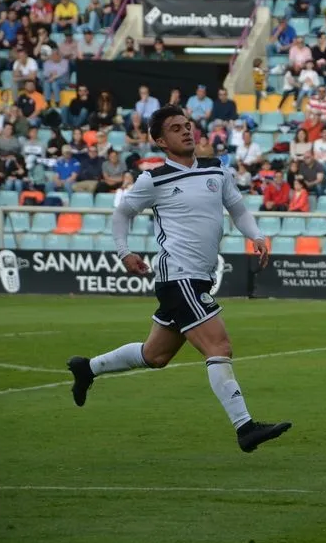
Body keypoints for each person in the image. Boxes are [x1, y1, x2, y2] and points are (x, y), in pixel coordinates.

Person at [65, 105, 291, 453]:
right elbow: (122, 214)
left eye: (188, 125)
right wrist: (124, 252)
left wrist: (256, 235)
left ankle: (88, 369)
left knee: (155, 355)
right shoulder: (152, 180)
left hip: (198, 277)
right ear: (160, 140)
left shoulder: (217, 169)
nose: (186, 131)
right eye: (175, 128)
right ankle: (245, 427)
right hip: (178, 277)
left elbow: (238, 209)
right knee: (219, 346)